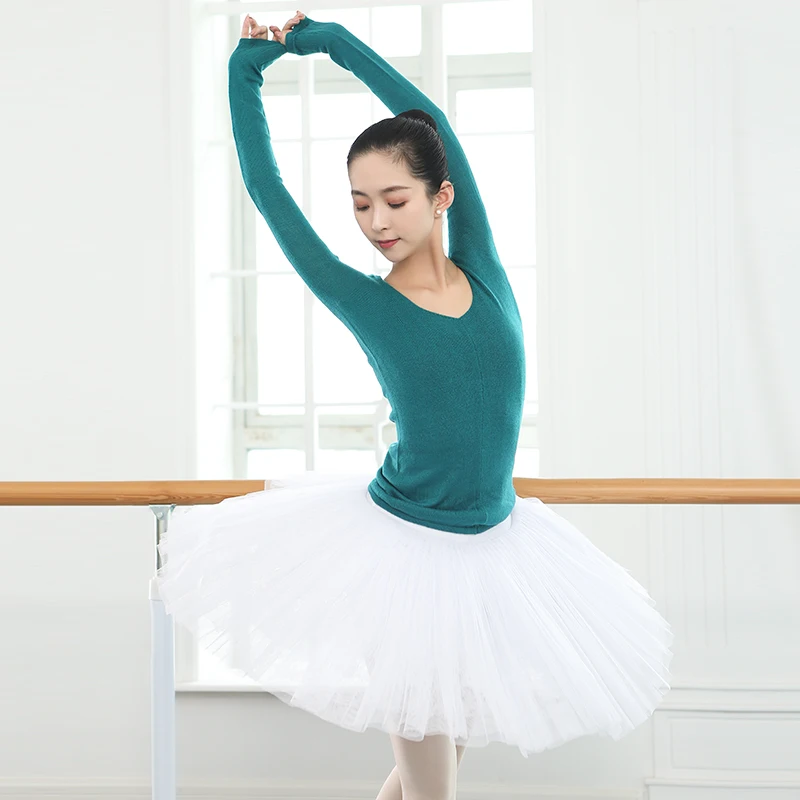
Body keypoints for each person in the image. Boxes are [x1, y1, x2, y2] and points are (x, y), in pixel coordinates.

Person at [155, 10, 672, 799]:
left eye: (394, 200)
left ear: (441, 196)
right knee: (435, 788)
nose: (376, 222)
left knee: (421, 781)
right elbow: (267, 190)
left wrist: (331, 41)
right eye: (360, 204)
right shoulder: (365, 300)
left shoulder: (482, 265)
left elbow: (430, 120)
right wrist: (245, 69)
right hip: (408, 555)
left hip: (495, 551)